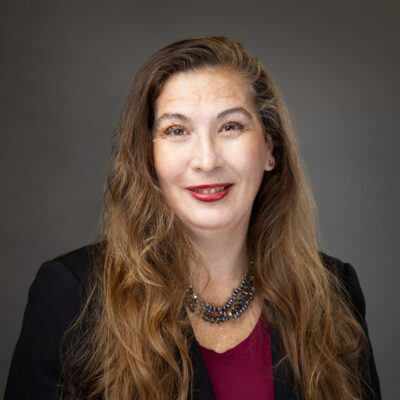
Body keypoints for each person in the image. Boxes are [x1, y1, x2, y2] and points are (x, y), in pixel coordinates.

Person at [5, 36, 381, 400]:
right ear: (148, 157)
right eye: (177, 130)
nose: (207, 160)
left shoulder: (335, 294)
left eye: (230, 126)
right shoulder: (72, 297)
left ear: (270, 146)